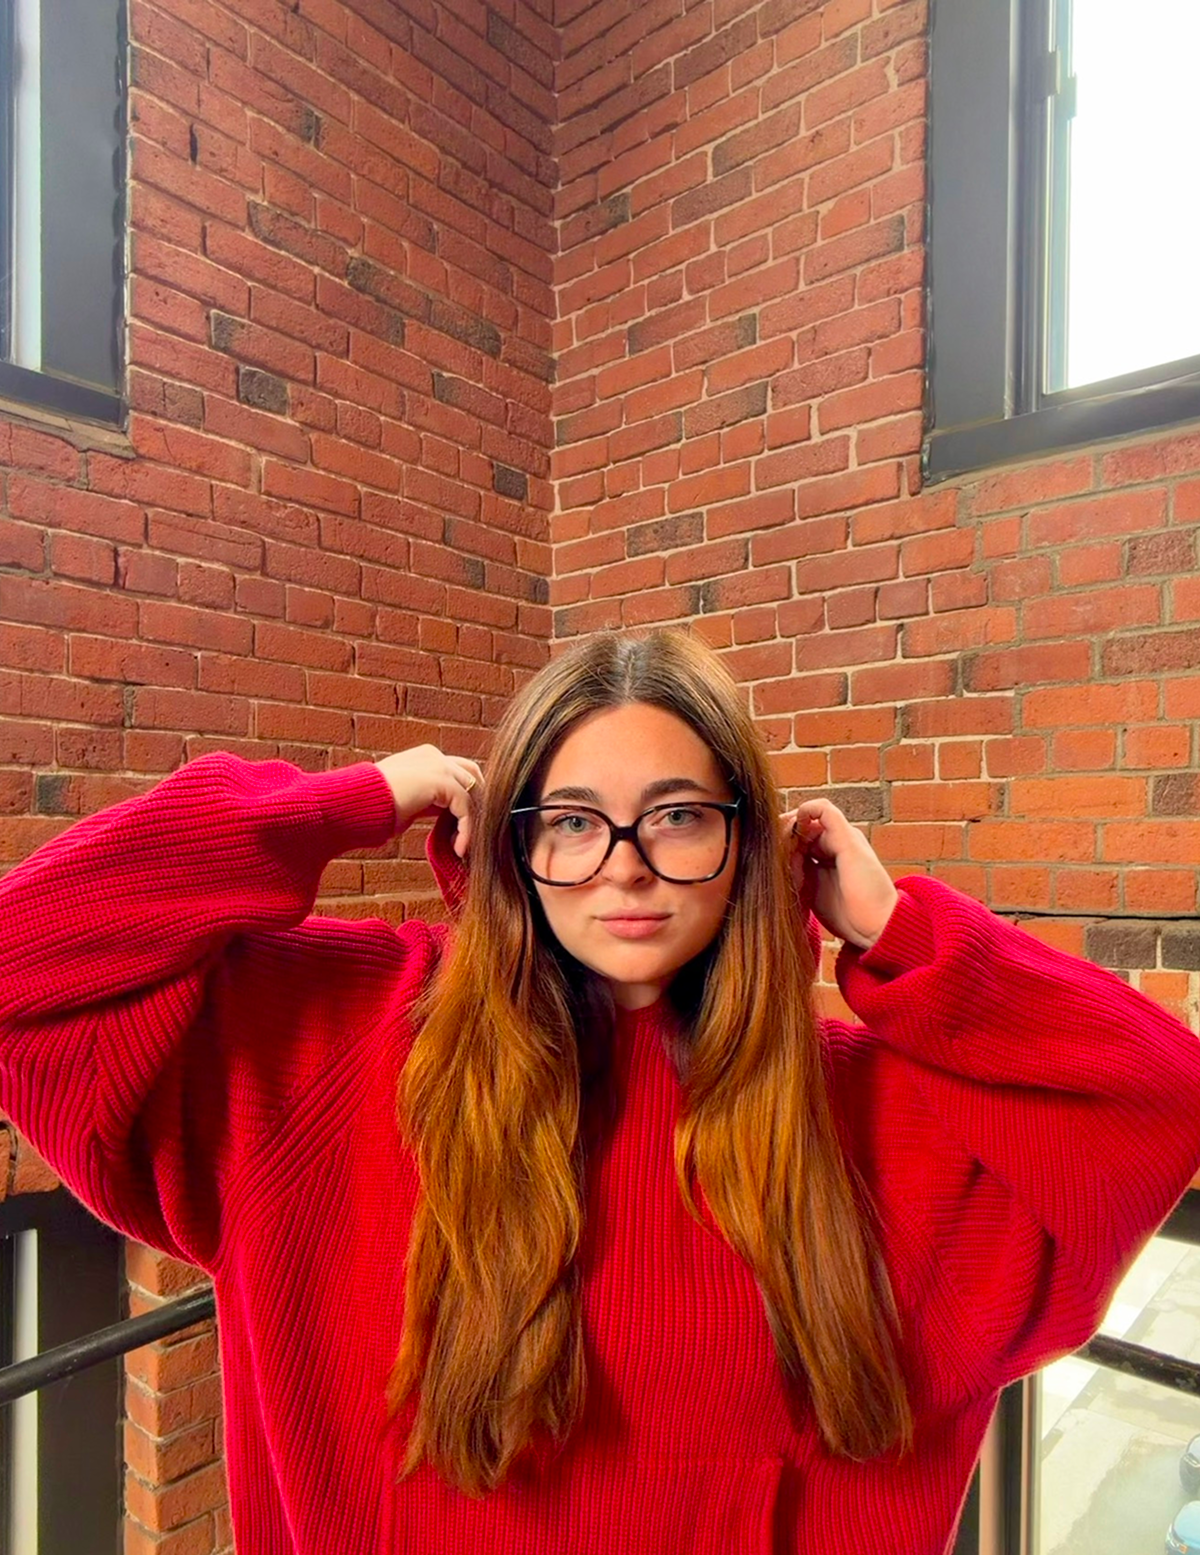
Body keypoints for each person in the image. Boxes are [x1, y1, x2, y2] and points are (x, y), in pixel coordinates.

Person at [0, 625, 1198, 1555]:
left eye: (678, 817)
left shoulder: (864, 1129)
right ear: (505, 843)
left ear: (753, 847)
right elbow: (24, 964)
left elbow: (1156, 1101)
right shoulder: (343, 1045)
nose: (625, 866)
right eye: (571, 822)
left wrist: (900, 934)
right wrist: (349, 799)